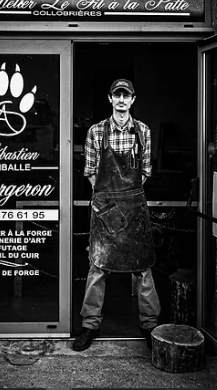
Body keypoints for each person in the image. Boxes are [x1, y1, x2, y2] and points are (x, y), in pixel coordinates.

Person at [72, 78, 160, 352]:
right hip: (105, 208)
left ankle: (149, 325)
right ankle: (90, 325)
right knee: (98, 266)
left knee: (142, 268)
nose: (121, 100)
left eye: (126, 95)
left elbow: (145, 172)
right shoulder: (96, 131)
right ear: (110, 99)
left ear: (132, 99)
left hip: (134, 209)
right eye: (117, 95)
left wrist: (127, 200)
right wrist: (109, 204)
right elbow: (90, 173)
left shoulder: (143, 131)